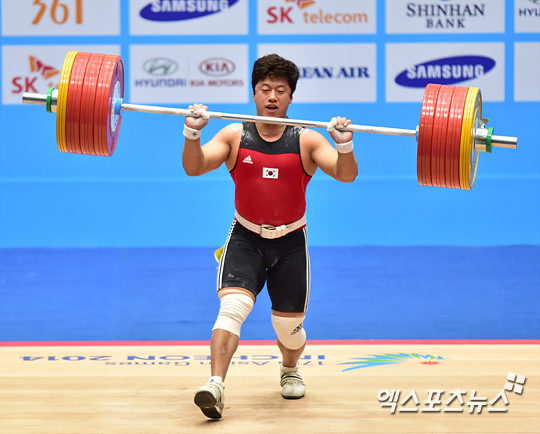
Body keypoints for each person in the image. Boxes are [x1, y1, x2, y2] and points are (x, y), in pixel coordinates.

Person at [182, 53, 358, 420]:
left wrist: (344, 145)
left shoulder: (306, 140)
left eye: (280, 90)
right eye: (265, 89)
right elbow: (194, 167)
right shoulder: (234, 135)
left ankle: (290, 367)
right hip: (245, 237)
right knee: (232, 308)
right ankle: (215, 385)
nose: (272, 96)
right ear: (254, 94)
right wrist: (193, 133)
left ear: (291, 96)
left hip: (291, 243)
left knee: (289, 330)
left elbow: (346, 175)